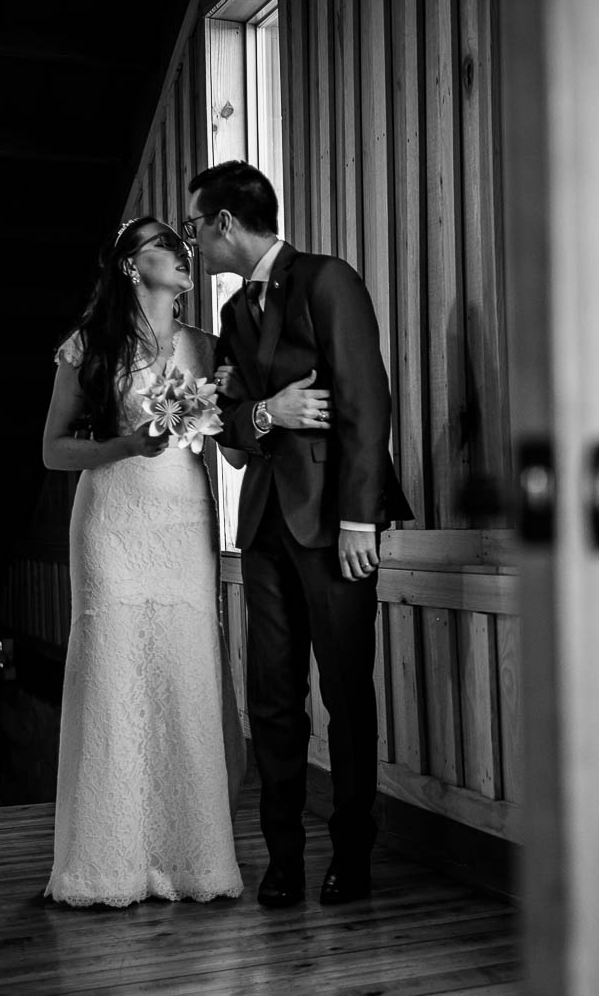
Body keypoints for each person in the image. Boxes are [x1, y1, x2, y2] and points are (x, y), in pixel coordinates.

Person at [39, 216, 321, 906]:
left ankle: (192, 859)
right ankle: (108, 862)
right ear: (134, 266)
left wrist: (261, 415)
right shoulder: (88, 346)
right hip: (112, 519)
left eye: (184, 244)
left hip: (185, 519)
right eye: (168, 246)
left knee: (184, 669)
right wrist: (124, 446)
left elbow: (227, 450)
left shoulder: (207, 346)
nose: (183, 253)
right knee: (114, 670)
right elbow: (53, 450)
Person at [185, 160, 413, 908]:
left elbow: (364, 399)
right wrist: (266, 412)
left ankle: (353, 856)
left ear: (225, 223)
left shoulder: (327, 280)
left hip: (333, 527)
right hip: (262, 530)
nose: (194, 242)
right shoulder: (229, 319)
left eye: (196, 226)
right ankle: (283, 860)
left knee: (346, 695)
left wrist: (358, 516)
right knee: (273, 699)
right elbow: (234, 436)